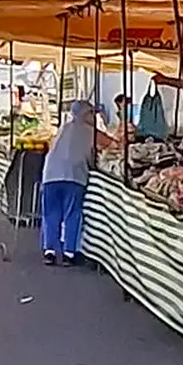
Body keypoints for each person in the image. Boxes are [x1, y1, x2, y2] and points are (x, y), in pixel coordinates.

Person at [40, 100, 116, 265]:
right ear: (84, 114)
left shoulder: (63, 128)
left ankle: (49, 251)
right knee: (72, 214)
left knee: (51, 213)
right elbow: (113, 144)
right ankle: (69, 253)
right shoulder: (91, 131)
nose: (93, 117)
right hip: (74, 175)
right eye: (91, 113)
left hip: (51, 174)